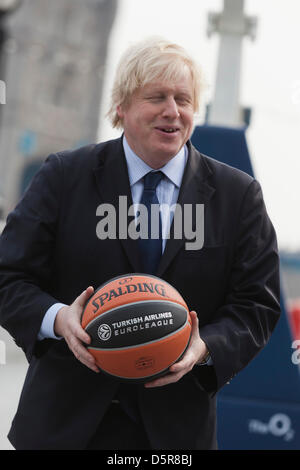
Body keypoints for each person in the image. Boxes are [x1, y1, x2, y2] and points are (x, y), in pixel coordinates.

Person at [0, 37, 280, 450]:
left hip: (174, 433)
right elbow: (9, 276)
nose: (172, 111)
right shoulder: (65, 177)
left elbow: (258, 304)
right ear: (121, 107)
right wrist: (59, 319)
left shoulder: (237, 196)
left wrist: (205, 348)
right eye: (156, 97)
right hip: (63, 427)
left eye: (183, 99)